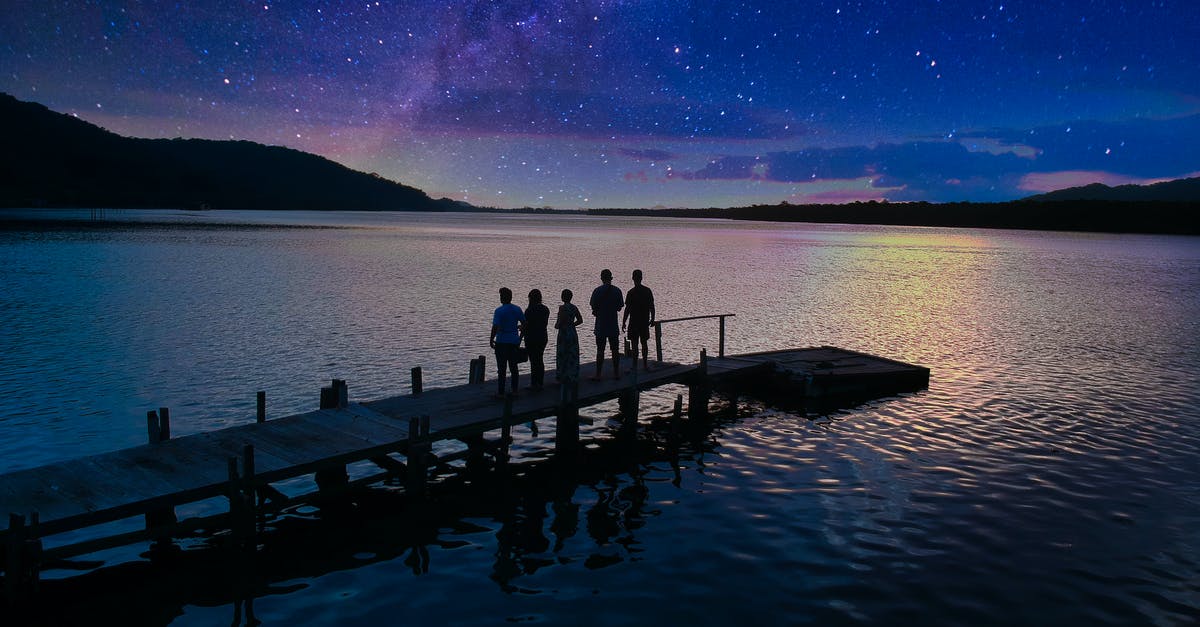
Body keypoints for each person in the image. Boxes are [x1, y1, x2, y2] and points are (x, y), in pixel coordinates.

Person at [589, 268, 624, 380]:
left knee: (600, 350)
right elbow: (619, 307)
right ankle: (616, 373)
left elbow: (593, 306)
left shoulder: (597, 291)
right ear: (611, 278)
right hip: (613, 325)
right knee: (615, 350)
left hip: (601, 325)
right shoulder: (617, 291)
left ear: (601, 278)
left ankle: (598, 374)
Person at [490, 287, 525, 397]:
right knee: (514, 367)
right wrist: (520, 338)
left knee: (501, 368)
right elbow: (525, 324)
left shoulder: (499, 311)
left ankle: (501, 392)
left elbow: (495, 327)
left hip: (501, 341)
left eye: (501, 296)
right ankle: (515, 391)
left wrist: (491, 339)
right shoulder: (517, 309)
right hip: (514, 341)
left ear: (503, 297)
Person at [622, 269, 656, 372]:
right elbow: (652, 307)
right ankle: (645, 365)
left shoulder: (631, 293)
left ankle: (634, 365)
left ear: (633, 278)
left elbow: (627, 309)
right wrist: (652, 318)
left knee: (635, 344)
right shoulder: (647, 291)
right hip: (644, 321)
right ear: (641, 278)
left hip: (634, 322)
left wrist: (623, 321)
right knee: (644, 343)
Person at [555, 288, 584, 397]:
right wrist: (572, 325)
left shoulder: (562, 308)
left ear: (563, 297)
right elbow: (580, 320)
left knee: (562, 354)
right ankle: (573, 374)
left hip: (564, 333)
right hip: (572, 332)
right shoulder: (574, 307)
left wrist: (557, 325)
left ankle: (562, 375)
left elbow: (559, 322)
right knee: (572, 354)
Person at [524, 289, 550, 390]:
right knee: (540, 359)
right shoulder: (545, 309)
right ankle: (540, 382)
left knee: (533, 361)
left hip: (531, 337)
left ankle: (534, 383)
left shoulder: (529, 310)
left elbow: (526, 326)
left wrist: (520, 337)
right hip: (543, 336)